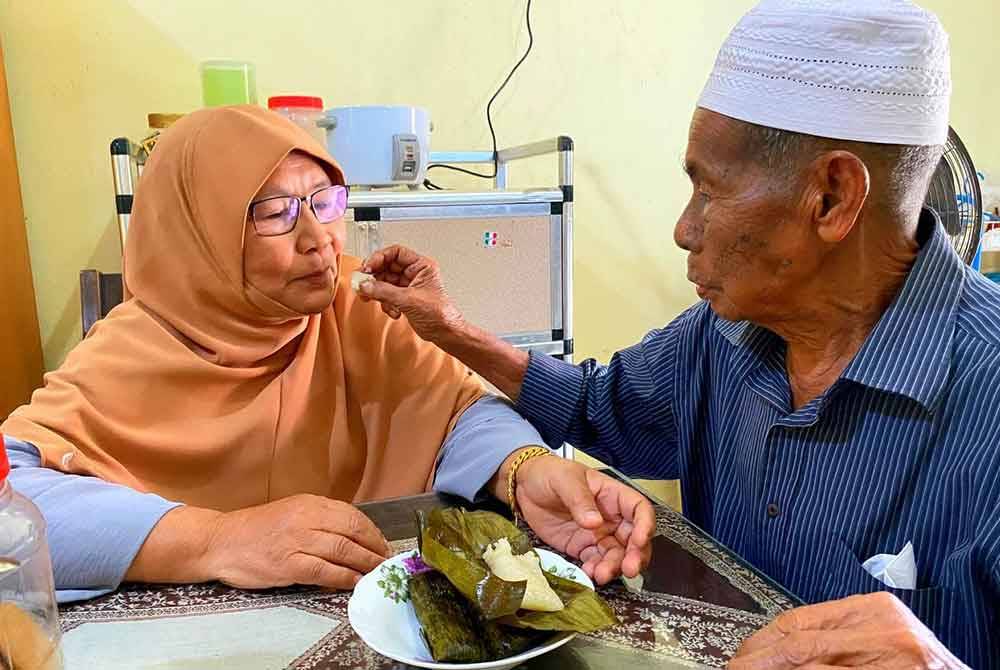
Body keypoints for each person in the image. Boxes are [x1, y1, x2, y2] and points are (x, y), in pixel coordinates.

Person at [356, 1, 999, 668]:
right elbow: (589, 404)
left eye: (708, 191)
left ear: (831, 198)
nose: (684, 230)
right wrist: (448, 326)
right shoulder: (719, 339)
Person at [0, 105, 653, 603]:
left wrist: (523, 467)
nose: (318, 238)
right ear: (196, 235)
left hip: (369, 616)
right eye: (278, 211)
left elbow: (457, 409)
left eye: (325, 200)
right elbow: (10, 506)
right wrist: (213, 539)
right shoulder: (131, 351)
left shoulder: (351, 304)